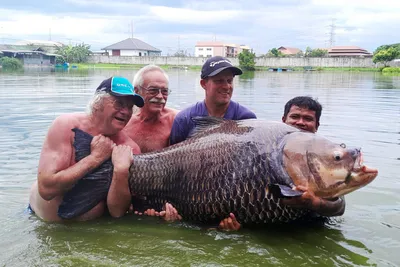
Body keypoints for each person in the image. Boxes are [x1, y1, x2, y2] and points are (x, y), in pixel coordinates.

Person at [28, 76, 144, 222]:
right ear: (97, 103)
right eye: (119, 104)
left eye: (129, 107)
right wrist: (95, 158)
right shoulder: (66, 126)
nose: (126, 112)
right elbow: (46, 189)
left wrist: (120, 171)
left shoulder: (130, 148)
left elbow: (118, 212)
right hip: (41, 223)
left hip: (92, 229)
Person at [169, 56, 257, 145]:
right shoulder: (184, 119)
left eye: (229, 81)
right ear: (203, 84)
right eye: (219, 81)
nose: (226, 86)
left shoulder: (246, 119)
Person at [280, 96, 346, 215]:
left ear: (317, 125)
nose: (300, 123)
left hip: (312, 224)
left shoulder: (326, 155)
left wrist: (315, 202)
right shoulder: (267, 148)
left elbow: (340, 207)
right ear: (283, 120)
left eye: (308, 119)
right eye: (294, 117)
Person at [123, 65, 178, 153]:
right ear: (137, 91)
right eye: (153, 90)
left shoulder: (177, 120)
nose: (160, 96)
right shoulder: (123, 120)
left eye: (164, 91)